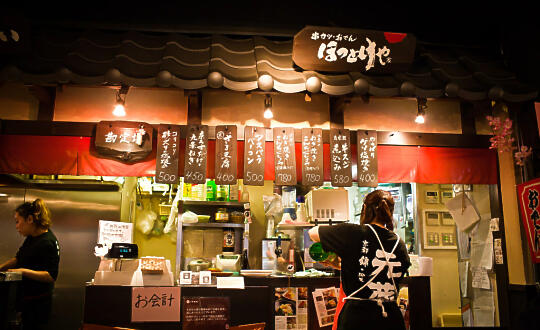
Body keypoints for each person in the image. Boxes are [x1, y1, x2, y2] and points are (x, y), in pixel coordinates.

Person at [308, 189, 410, 330]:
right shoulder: (400, 243)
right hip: (390, 318)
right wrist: (343, 265)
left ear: (365, 209)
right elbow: (380, 273)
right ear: (389, 212)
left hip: (358, 318)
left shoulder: (354, 232)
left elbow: (313, 233)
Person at [0, 199, 60, 330]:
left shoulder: (48, 242)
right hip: (26, 300)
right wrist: (1, 268)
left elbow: (50, 276)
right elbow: (18, 258)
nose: (16, 226)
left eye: (17, 221)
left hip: (38, 305)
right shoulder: (32, 237)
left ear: (30, 219)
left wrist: (22, 271)